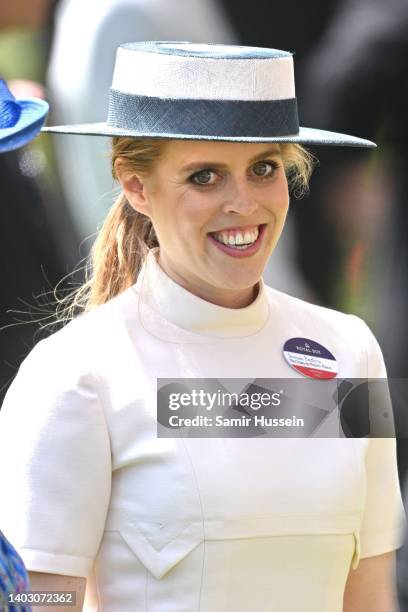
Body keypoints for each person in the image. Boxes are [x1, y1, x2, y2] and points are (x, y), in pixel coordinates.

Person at [0, 42, 405, 612]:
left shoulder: (351, 351)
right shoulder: (74, 375)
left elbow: (371, 593)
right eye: (205, 176)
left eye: (263, 168)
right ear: (136, 186)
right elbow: (34, 601)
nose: (243, 203)